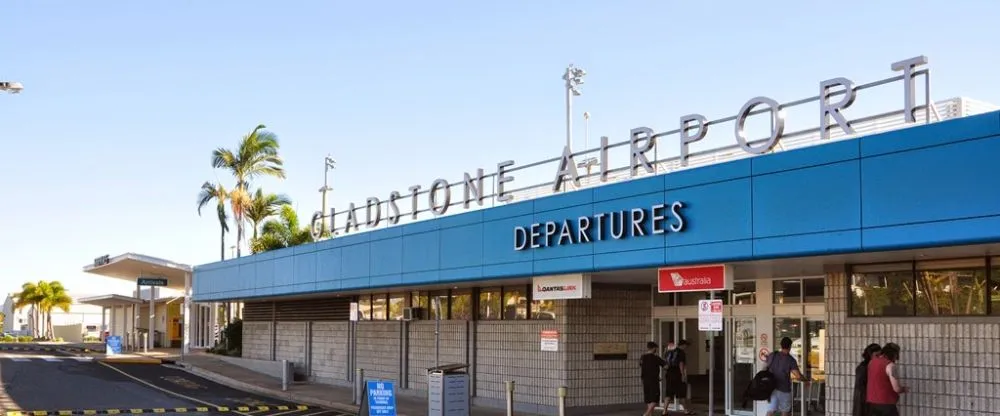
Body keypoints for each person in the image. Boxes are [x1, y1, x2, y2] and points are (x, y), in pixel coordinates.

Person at [866, 343, 908, 416]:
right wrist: (904, 389)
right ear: (894, 354)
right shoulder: (890, 366)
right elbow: (897, 388)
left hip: (872, 403)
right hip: (887, 404)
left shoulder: (871, 362)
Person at [766, 337, 802, 416]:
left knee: (770, 411)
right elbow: (798, 376)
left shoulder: (772, 355)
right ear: (790, 346)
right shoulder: (790, 360)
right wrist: (805, 380)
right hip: (784, 390)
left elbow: (766, 367)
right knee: (785, 412)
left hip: (771, 388)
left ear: (781, 345)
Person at [664, 339, 693, 415]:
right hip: (677, 374)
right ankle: (686, 410)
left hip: (669, 374)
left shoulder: (669, 351)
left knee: (668, 394)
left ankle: (664, 411)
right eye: (686, 346)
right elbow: (681, 364)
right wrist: (683, 375)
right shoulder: (681, 352)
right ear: (683, 345)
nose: (686, 347)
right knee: (681, 393)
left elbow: (666, 363)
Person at [853, 343, 882, 416]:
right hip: (864, 401)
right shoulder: (863, 368)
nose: (879, 358)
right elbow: (860, 386)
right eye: (876, 355)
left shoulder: (874, 366)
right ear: (870, 355)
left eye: (880, 356)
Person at [640, 341, 666, 416]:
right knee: (655, 399)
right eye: (656, 348)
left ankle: (650, 414)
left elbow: (642, 366)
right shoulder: (655, 358)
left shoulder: (642, 357)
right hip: (653, 380)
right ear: (654, 348)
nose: (656, 350)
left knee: (648, 399)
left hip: (645, 380)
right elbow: (665, 366)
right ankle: (646, 414)